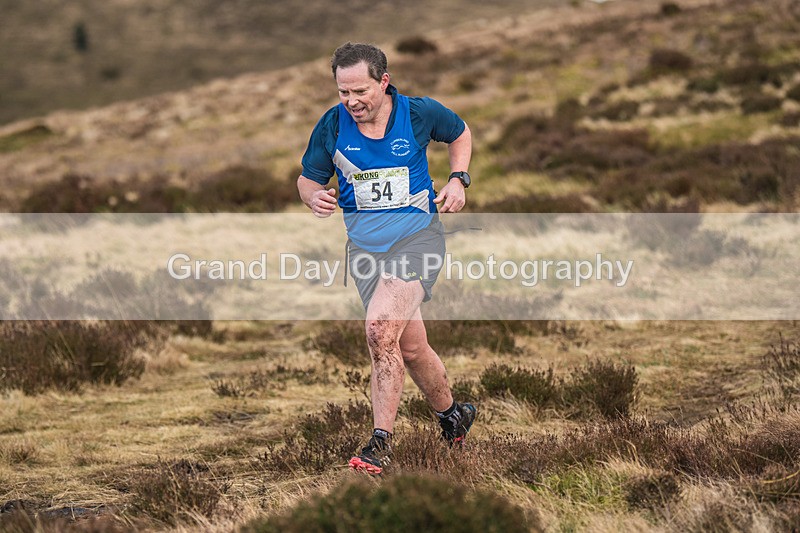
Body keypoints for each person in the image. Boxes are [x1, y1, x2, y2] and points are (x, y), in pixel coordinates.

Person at [297, 42, 476, 475]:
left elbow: (459, 133)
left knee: (379, 330)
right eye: (343, 92)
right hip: (365, 252)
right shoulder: (332, 125)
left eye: (360, 91)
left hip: (418, 240)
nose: (352, 101)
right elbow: (308, 179)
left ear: (383, 81)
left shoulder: (417, 113)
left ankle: (379, 444)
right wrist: (314, 197)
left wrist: (458, 179)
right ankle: (453, 416)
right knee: (410, 347)